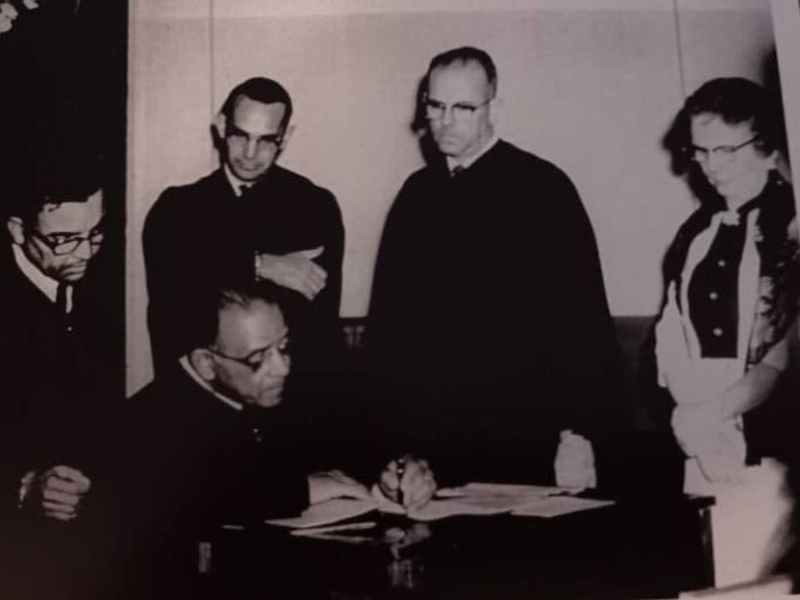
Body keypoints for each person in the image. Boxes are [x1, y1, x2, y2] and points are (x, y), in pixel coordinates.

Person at [368, 47, 630, 507]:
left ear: (494, 106)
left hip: (528, 442)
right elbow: (388, 335)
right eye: (435, 106)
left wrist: (579, 432)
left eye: (464, 108)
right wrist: (393, 449)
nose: (446, 121)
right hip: (433, 455)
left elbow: (582, 322)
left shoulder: (543, 188)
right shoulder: (415, 196)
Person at [121, 282, 371, 596]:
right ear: (206, 363)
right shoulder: (153, 422)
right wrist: (301, 488)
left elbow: (338, 442)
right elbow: (198, 494)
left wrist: (393, 475)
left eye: (283, 346)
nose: (282, 368)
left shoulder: (257, 385)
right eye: (258, 359)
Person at [653, 77, 800, 587]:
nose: (710, 165)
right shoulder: (697, 230)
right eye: (700, 151)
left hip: (771, 444)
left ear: (767, 149)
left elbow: (778, 360)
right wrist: (689, 409)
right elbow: (672, 330)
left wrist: (715, 413)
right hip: (698, 428)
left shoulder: (790, 230)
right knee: (713, 577)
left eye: (725, 150)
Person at [143, 77, 345, 390]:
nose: (250, 154)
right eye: (240, 136)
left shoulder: (315, 205)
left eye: (266, 140)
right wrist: (263, 265)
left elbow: (318, 328)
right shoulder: (177, 208)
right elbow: (175, 303)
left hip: (290, 402)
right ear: (221, 126)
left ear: (286, 137)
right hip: (205, 400)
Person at [0, 163, 122, 598]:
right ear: (17, 230)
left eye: (95, 233)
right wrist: (26, 485)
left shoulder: (91, 283)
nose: (85, 252)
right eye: (64, 239)